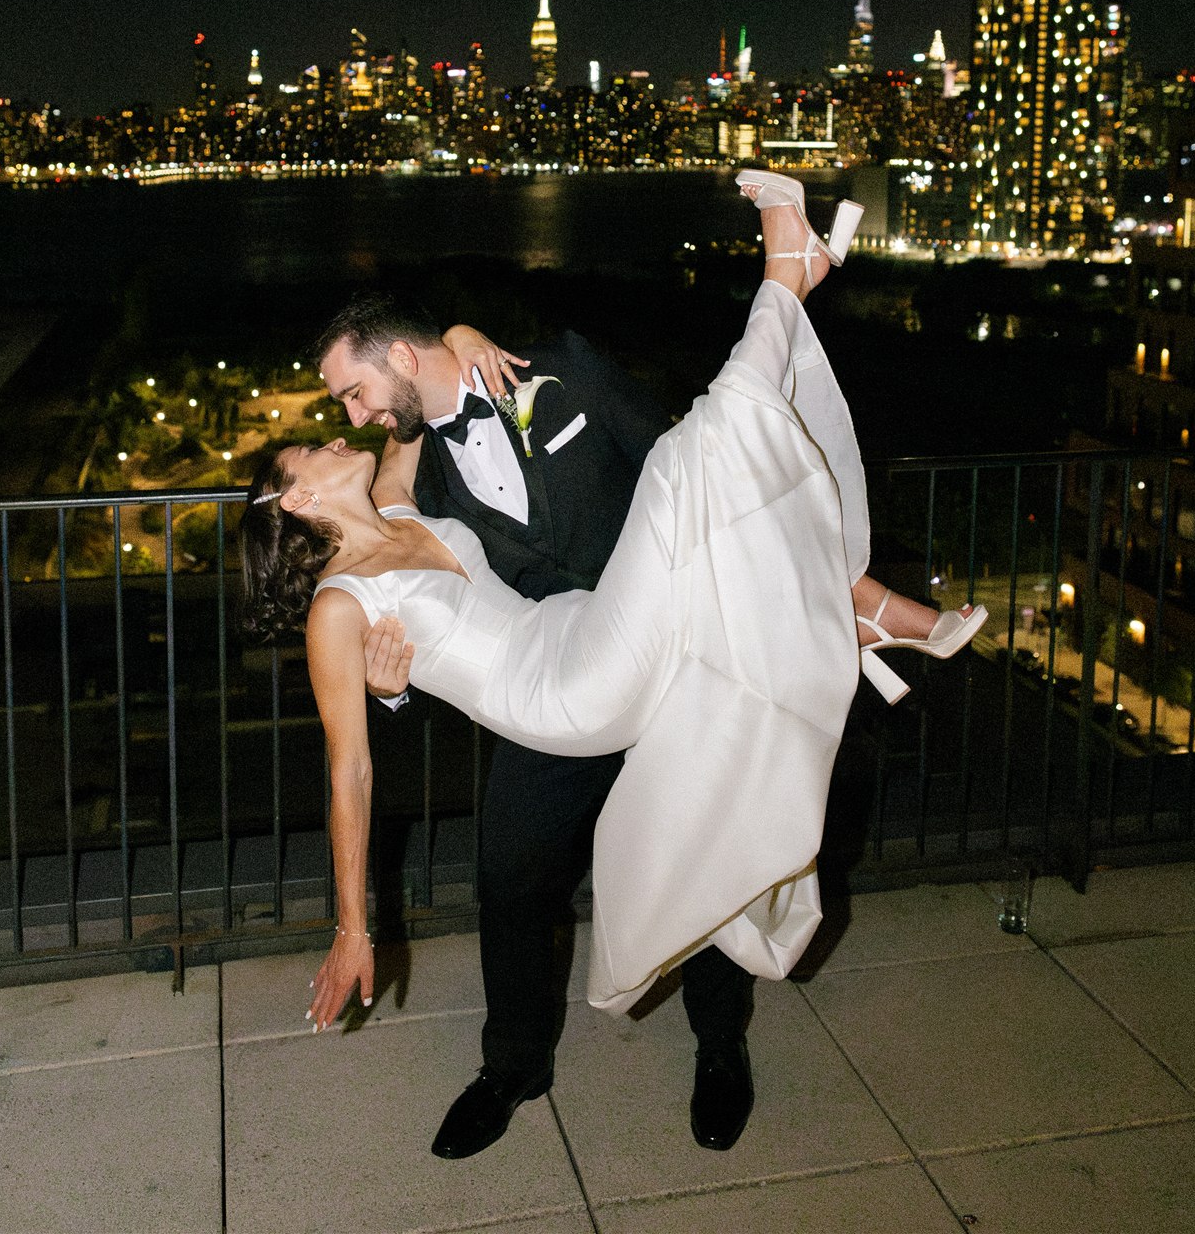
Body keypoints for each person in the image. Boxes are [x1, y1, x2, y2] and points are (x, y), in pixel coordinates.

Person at [239, 174, 985, 1153]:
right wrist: (353, 909)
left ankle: (720, 1044)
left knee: (713, 812)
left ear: (402, 358)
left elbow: (436, 372)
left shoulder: (459, 440)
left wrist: (458, 333)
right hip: (568, 674)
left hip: (629, 625)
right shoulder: (390, 504)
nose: (347, 414)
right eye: (333, 413)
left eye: (351, 390)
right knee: (510, 874)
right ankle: (512, 1064)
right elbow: (350, 766)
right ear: (294, 504)